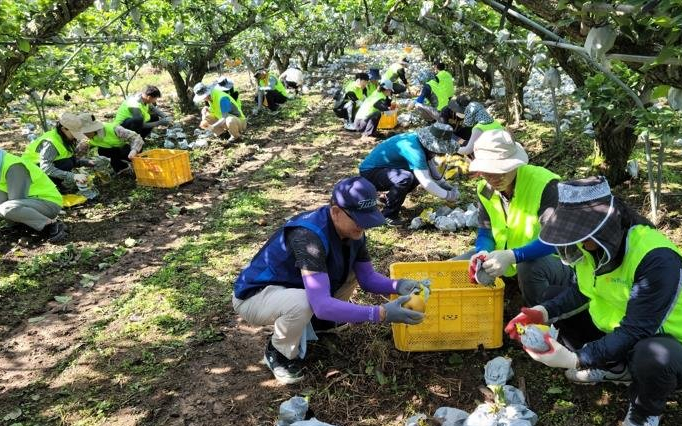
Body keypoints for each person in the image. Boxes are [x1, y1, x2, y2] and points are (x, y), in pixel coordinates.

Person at [506, 176, 682, 426]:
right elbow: (581, 291)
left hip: (674, 350)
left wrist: (577, 358)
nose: (576, 244)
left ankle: (644, 410)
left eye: (581, 237)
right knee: (552, 296)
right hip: (620, 333)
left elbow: (638, 329)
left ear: (604, 229)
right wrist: (541, 312)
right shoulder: (594, 248)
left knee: (651, 354)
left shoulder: (657, 259)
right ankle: (615, 366)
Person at [232, 177, 427, 384]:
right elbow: (322, 305)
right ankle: (278, 352)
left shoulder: (353, 233)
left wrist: (397, 285)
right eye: (359, 219)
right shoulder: (308, 237)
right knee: (304, 302)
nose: (364, 225)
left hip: (294, 287)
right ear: (335, 212)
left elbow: (367, 278)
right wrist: (381, 313)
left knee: (349, 270)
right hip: (256, 296)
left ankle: (319, 324)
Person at [466, 129, 573, 306]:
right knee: (459, 265)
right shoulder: (484, 189)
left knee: (529, 267)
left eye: (501, 170)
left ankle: (540, 320)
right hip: (508, 258)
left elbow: (554, 241)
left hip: (552, 262)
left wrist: (513, 256)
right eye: (487, 171)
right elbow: (485, 231)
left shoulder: (545, 184)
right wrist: (482, 251)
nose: (494, 177)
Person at [359, 123, 460, 226]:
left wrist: (444, 184)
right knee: (405, 178)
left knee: (414, 175)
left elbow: (430, 169)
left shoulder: (419, 142)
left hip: (384, 169)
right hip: (371, 172)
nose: (438, 153)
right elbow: (426, 182)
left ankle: (390, 198)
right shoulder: (415, 150)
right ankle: (388, 215)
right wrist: (448, 195)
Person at [22, 112, 103, 194]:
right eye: (73, 133)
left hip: (40, 169)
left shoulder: (64, 139)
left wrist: (87, 162)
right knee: (66, 163)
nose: (75, 137)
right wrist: (73, 176)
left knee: (68, 162)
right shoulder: (51, 143)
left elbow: (69, 158)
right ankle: (48, 187)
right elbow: (46, 167)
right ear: (63, 129)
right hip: (31, 173)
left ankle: (55, 185)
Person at [0, 149, 67, 242]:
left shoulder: (14, 166)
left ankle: (51, 225)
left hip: (48, 203)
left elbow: (17, 199)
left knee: (5, 208)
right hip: (30, 203)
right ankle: (20, 227)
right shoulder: (0, 165)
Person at [77, 113, 144, 173]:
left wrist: (134, 150)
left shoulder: (114, 129)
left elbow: (136, 138)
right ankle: (122, 167)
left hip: (127, 149)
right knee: (102, 151)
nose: (84, 134)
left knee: (127, 151)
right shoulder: (86, 138)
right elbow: (79, 152)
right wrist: (81, 162)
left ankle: (137, 164)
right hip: (113, 152)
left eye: (85, 132)